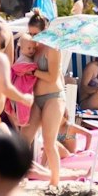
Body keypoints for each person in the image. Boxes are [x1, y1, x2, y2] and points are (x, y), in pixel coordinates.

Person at [24, 12, 69, 186]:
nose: (34, 37)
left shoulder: (53, 48)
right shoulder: (35, 49)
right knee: (24, 138)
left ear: (45, 31)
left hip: (53, 97)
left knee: (49, 142)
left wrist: (32, 71)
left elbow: (51, 77)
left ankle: (55, 181)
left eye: (36, 33)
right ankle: (16, 175)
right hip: (38, 98)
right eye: (31, 34)